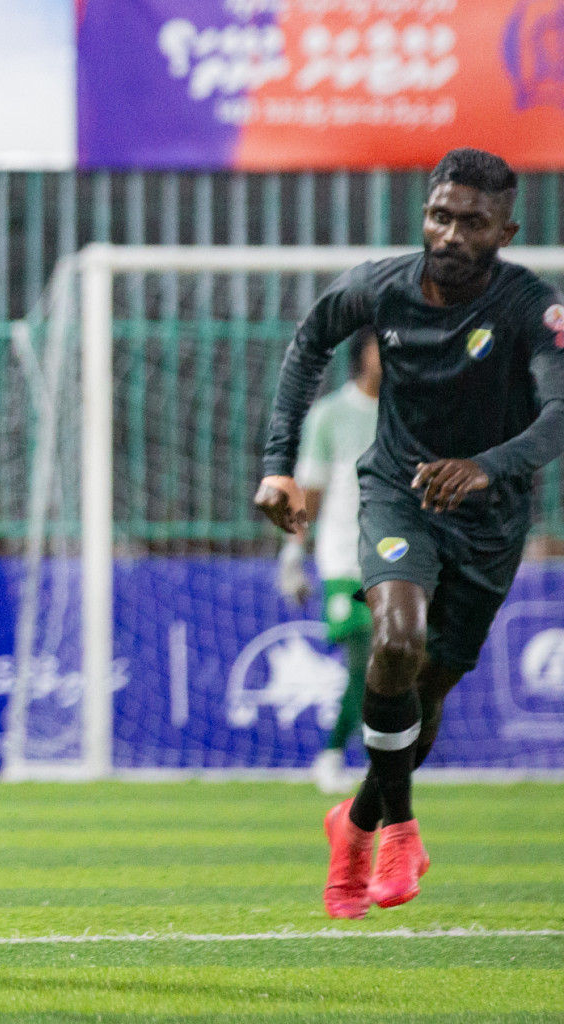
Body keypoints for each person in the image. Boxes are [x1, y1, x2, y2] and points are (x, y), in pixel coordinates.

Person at [255, 148, 564, 919]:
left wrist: (488, 465)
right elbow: (307, 346)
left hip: (489, 518)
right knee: (395, 640)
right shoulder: (380, 284)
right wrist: (278, 466)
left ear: (505, 230)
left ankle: (353, 822)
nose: (451, 233)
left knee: (424, 698)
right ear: (426, 213)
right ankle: (397, 827)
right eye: (440, 215)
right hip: (397, 491)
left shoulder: (532, 306)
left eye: (472, 222)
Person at [276, 328, 380, 794]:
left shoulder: (408, 415)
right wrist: (294, 554)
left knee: (393, 663)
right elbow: (310, 493)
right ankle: (333, 754)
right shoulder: (331, 415)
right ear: (363, 355)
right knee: (364, 657)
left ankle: (380, 756)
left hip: (394, 560)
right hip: (343, 561)